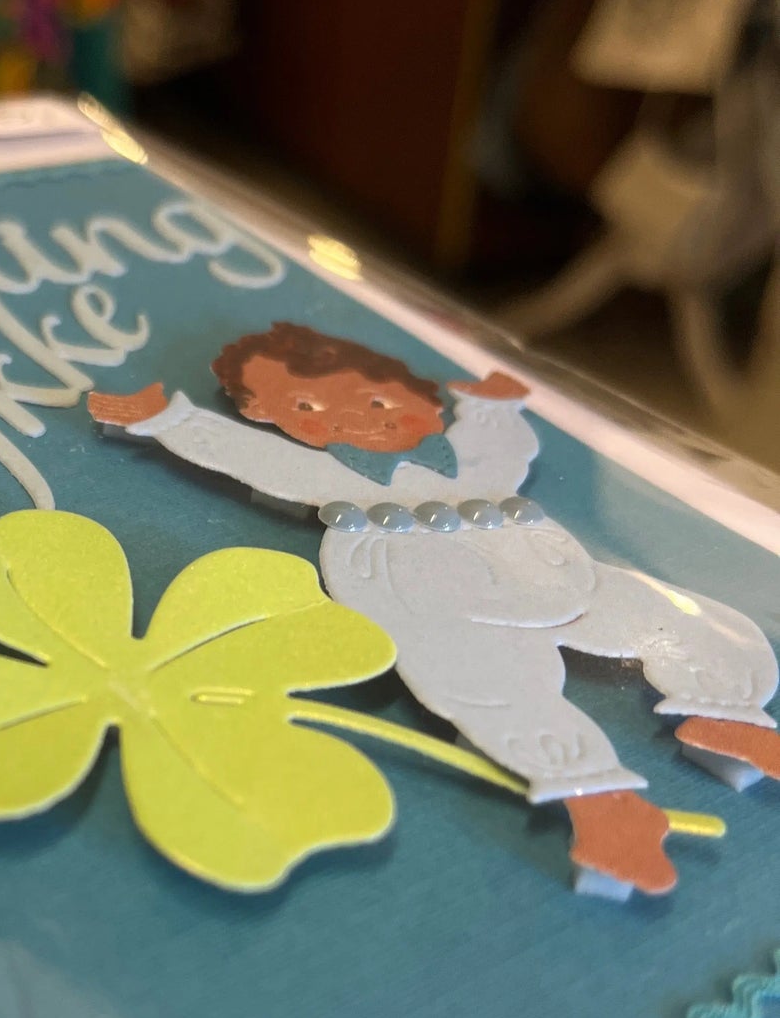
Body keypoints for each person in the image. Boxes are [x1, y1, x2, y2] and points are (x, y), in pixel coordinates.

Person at [89, 322, 780, 895]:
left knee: (665, 616)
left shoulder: (466, 467)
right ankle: (602, 805)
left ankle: (728, 712)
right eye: (305, 409)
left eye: (375, 400)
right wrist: (168, 419)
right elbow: (253, 459)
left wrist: (491, 407)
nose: (348, 417)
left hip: (550, 572)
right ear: (276, 421)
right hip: (431, 606)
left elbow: (497, 446)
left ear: (418, 399)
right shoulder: (332, 479)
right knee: (493, 695)